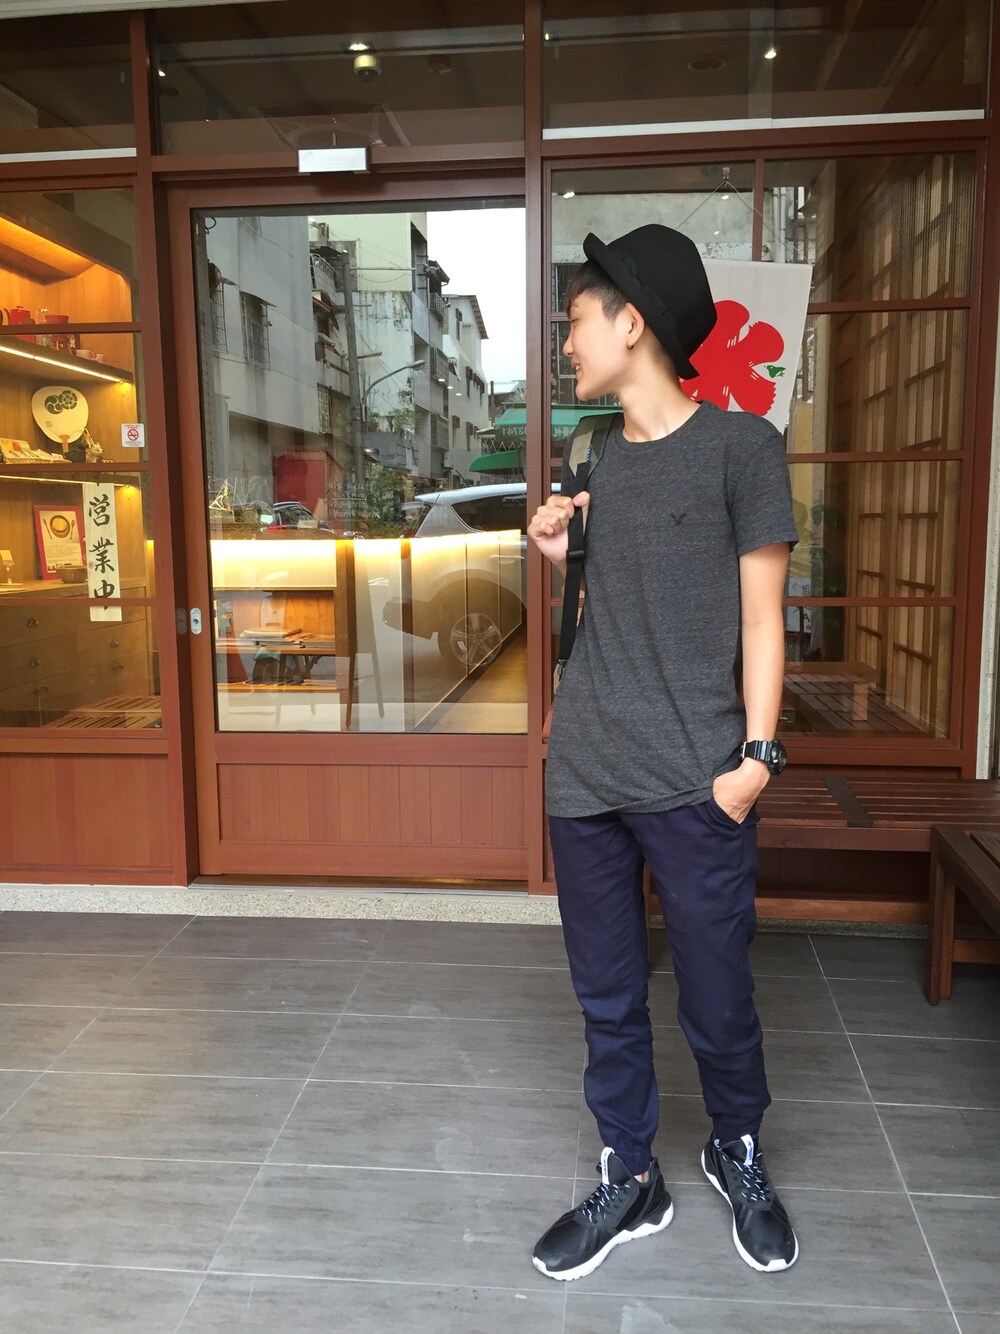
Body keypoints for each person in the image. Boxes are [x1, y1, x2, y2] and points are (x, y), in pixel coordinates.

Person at [528, 225, 800, 1282]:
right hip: (588, 773)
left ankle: (737, 1146)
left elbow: (764, 620)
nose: (567, 343)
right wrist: (566, 557)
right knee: (606, 996)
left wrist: (756, 758)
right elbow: (609, 610)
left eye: (576, 321)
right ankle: (630, 1172)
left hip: (697, 774)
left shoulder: (743, 448)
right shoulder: (595, 459)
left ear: (631, 321)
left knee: (717, 995)